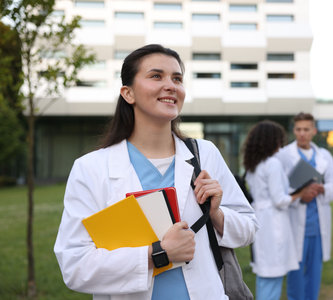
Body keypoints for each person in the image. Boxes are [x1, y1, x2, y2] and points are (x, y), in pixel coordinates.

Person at [54, 44, 258, 300]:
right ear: (128, 93)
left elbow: (249, 228)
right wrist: (158, 254)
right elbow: (75, 265)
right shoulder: (91, 169)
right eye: (156, 76)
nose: (171, 85)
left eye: (177, 78)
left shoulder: (204, 154)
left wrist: (216, 213)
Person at [276, 112, 333, 300]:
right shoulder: (283, 155)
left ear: (314, 131)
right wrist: (300, 195)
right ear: (294, 130)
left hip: (317, 227)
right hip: (295, 223)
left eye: (306, 129)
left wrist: (322, 189)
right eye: (298, 129)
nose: (302, 133)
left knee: (314, 275)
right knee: (295, 276)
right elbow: (279, 190)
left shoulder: (324, 155)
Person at [243, 120, 303, 300]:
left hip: (260, 220)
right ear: (273, 141)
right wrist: (300, 193)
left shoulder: (253, 165)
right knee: (273, 276)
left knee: (265, 276)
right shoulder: (273, 164)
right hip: (273, 222)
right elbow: (280, 200)